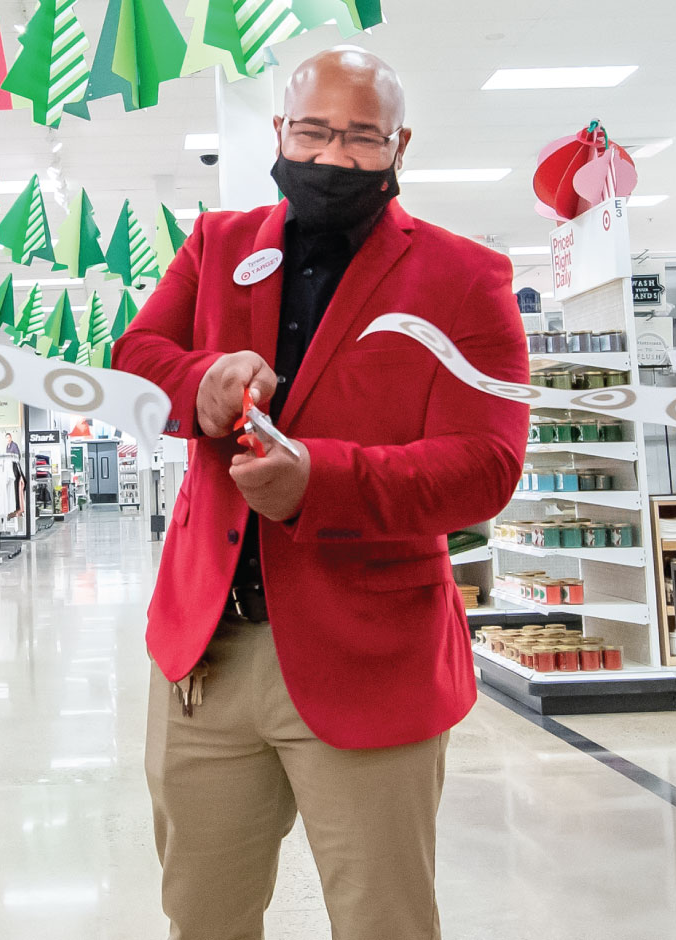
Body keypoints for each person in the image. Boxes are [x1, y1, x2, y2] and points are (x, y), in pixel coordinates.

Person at [113, 46, 529, 940]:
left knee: (383, 920)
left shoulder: (465, 277)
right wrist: (202, 385)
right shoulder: (217, 245)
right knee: (202, 916)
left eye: (360, 138)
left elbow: (488, 462)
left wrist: (322, 481)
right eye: (311, 132)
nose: (332, 160)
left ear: (399, 143)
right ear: (278, 131)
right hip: (205, 657)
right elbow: (136, 359)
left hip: (371, 655)